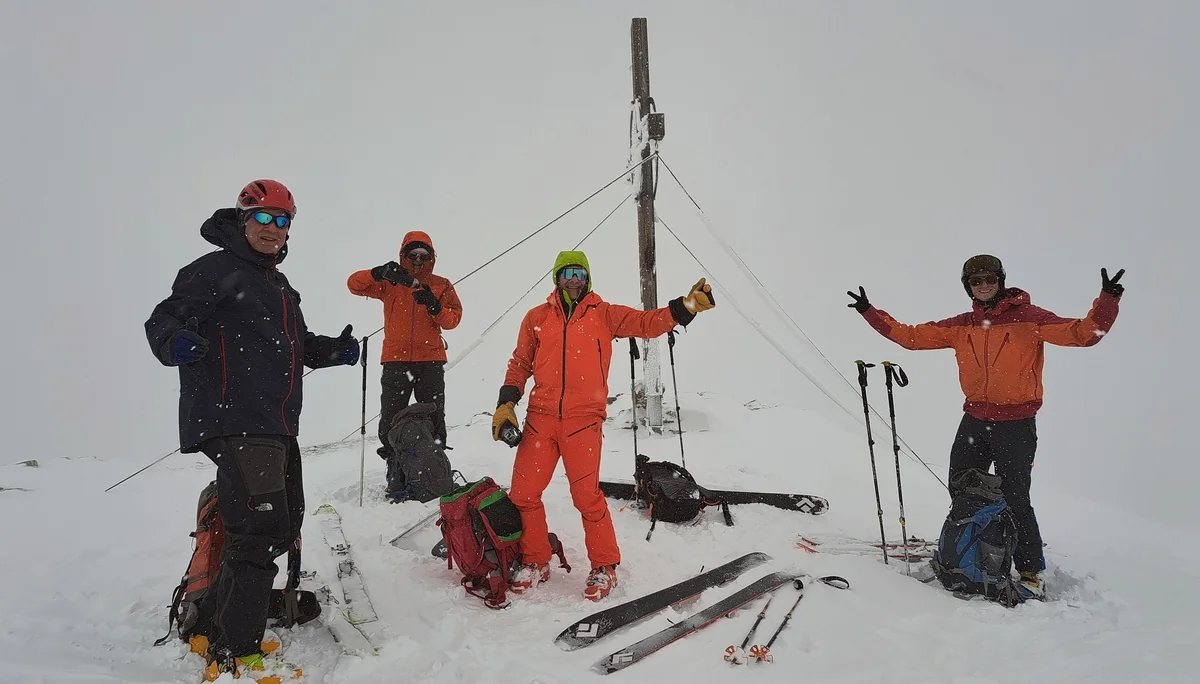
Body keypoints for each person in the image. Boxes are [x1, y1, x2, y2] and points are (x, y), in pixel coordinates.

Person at [145, 179, 360, 679]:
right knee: (258, 532)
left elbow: (297, 344)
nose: (272, 229)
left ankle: (211, 623)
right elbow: (164, 317)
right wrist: (173, 341)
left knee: (281, 525)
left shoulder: (279, 286)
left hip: (275, 423)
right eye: (263, 218)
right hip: (236, 418)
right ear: (242, 220)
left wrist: (334, 351)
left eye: (282, 221)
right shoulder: (214, 270)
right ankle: (235, 651)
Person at [847, 254, 1124, 598]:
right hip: (975, 419)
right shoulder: (963, 324)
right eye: (975, 281)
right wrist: (869, 312)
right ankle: (973, 545)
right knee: (962, 488)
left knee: (1015, 497)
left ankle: (1029, 568)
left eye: (989, 279)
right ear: (968, 287)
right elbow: (911, 337)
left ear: (1001, 280)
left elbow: (1084, 334)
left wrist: (1107, 300)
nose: (983, 286)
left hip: (1016, 424)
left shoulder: (1030, 319)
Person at [490, 250, 716, 601]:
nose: (574, 280)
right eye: (567, 273)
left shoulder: (604, 315)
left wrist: (684, 308)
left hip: (583, 422)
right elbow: (520, 363)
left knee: (587, 497)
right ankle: (535, 559)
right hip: (540, 419)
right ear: (557, 277)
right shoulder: (537, 317)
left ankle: (604, 566)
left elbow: (647, 322)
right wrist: (506, 403)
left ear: (588, 277)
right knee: (523, 494)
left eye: (580, 273)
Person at [347, 232, 463, 462]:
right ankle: (395, 467)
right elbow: (354, 285)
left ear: (431, 257)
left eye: (423, 255)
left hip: (430, 360)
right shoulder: (390, 282)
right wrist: (377, 273)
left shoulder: (441, 285)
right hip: (396, 360)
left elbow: (453, 320)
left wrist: (434, 307)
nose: (418, 260)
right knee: (391, 416)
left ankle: (435, 464)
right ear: (404, 255)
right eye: (413, 255)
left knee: (433, 415)